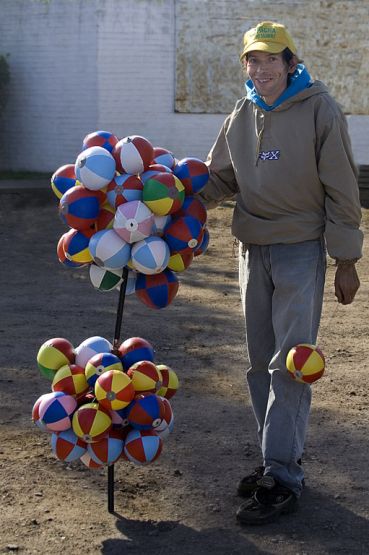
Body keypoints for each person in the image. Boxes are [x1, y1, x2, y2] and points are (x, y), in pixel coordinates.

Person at [199, 20, 363, 525]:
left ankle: (283, 474)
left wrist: (347, 261)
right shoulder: (242, 112)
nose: (261, 68)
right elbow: (219, 179)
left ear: (291, 63)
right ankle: (275, 460)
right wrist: (167, 198)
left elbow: (342, 187)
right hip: (252, 250)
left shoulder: (319, 108)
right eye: (253, 59)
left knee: (289, 364)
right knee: (256, 364)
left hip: (299, 251)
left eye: (272, 59)